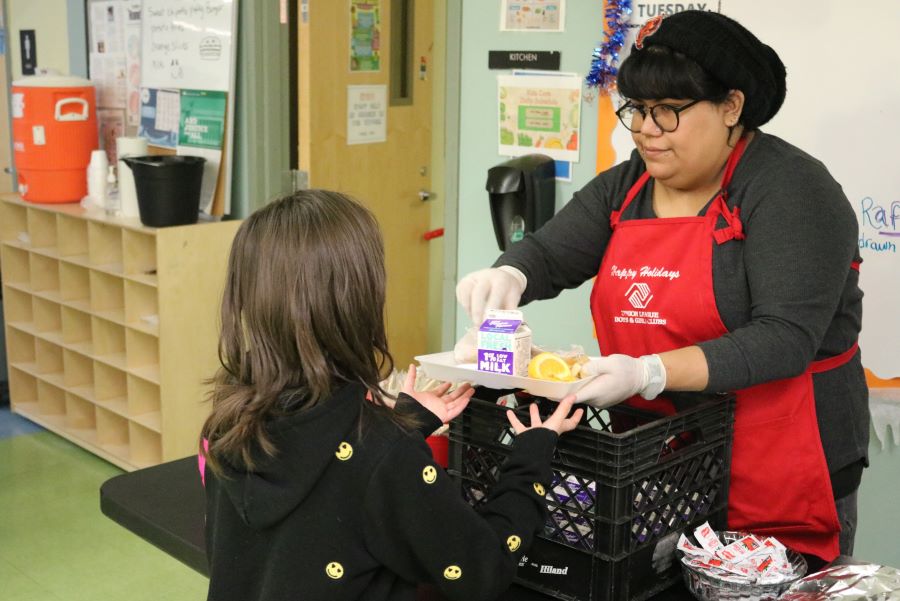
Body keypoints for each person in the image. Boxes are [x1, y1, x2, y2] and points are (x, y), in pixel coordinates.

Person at [456, 10, 868, 565]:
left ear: (731, 107)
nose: (647, 129)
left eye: (668, 112)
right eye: (638, 111)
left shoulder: (791, 190)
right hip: (662, 457)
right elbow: (552, 253)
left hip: (782, 463)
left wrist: (648, 371)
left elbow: (784, 338)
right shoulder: (629, 186)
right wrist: (510, 274)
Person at [200, 189, 584, 601]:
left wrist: (407, 426)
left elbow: (323, 509)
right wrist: (531, 457)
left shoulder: (226, 422)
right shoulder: (382, 453)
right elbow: (481, 569)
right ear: (357, 302)